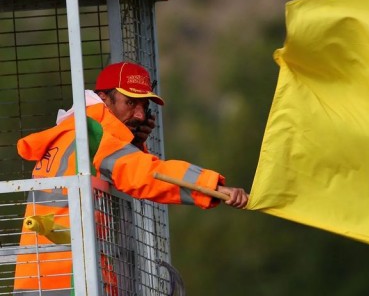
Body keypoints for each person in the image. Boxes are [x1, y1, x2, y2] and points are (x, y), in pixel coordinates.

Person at [13, 62, 249, 295]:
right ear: (104, 99)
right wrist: (212, 187)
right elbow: (143, 174)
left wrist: (132, 144)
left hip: (41, 278)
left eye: (143, 106)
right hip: (72, 278)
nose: (139, 114)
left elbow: (114, 171)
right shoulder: (93, 135)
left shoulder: (74, 130)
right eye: (130, 103)